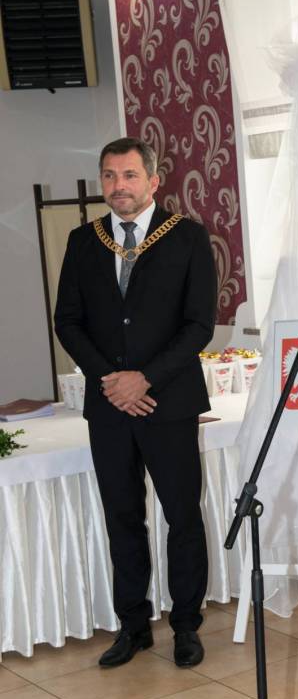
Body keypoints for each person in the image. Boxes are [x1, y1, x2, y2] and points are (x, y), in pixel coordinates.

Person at [55, 137, 217, 669]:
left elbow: (199, 324)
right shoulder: (84, 241)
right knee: (121, 517)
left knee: (182, 516)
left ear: (153, 180)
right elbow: (67, 321)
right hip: (108, 406)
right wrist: (111, 380)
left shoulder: (188, 237)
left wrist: (144, 379)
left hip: (168, 402)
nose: (118, 185)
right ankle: (133, 625)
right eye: (109, 175)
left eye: (128, 175)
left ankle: (186, 625)